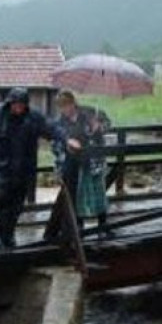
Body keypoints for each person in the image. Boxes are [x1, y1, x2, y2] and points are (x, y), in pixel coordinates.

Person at [0, 87, 57, 251]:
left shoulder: (34, 117)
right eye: (15, 104)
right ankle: (0, 236)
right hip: (0, 167)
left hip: (23, 168)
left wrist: (67, 137)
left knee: (17, 204)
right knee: (0, 202)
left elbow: (51, 130)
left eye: (22, 105)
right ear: (9, 103)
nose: (18, 108)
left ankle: (9, 235)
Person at [50, 89, 89, 220]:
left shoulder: (87, 115)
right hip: (68, 162)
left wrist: (97, 127)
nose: (64, 109)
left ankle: (100, 224)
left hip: (87, 160)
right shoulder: (59, 122)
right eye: (61, 106)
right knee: (71, 194)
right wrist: (65, 146)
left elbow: (105, 126)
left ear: (73, 103)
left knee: (86, 192)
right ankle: (75, 223)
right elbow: (54, 145)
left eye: (66, 105)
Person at [77, 109, 113, 238]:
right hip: (83, 163)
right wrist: (89, 130)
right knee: (81, 196)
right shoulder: (79, 116)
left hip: (98, 163)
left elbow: (108, 125)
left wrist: (99, 126)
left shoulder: (99, 113)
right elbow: (78, 134)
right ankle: (79, 226)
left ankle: (102, 225)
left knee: (100, 196)